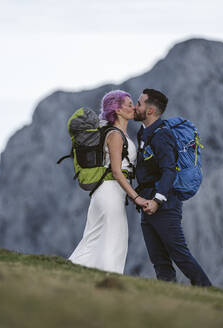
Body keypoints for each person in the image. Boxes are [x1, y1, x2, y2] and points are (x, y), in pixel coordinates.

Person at [134, 88, 212, 286]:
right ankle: (168, 298)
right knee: (159, 260)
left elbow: (169, 170)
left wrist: (158, 201)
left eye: (139, 103)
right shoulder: (143, 134)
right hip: (147, 204)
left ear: (150, 111)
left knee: (180, 255)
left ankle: (206, 289)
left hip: (164, 205)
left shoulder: (162, 135)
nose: (136, 107)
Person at [69, 90, 148, 274]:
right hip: (110, 191)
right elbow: (116, 170)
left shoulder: (112, 132)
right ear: (118, 110)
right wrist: (136, 197)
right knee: (116, 239)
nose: (133, 107)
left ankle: (72, 271)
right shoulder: (115, 135)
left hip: (103, 193)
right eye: (129, 104)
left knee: (92, 239)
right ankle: (110, 279)